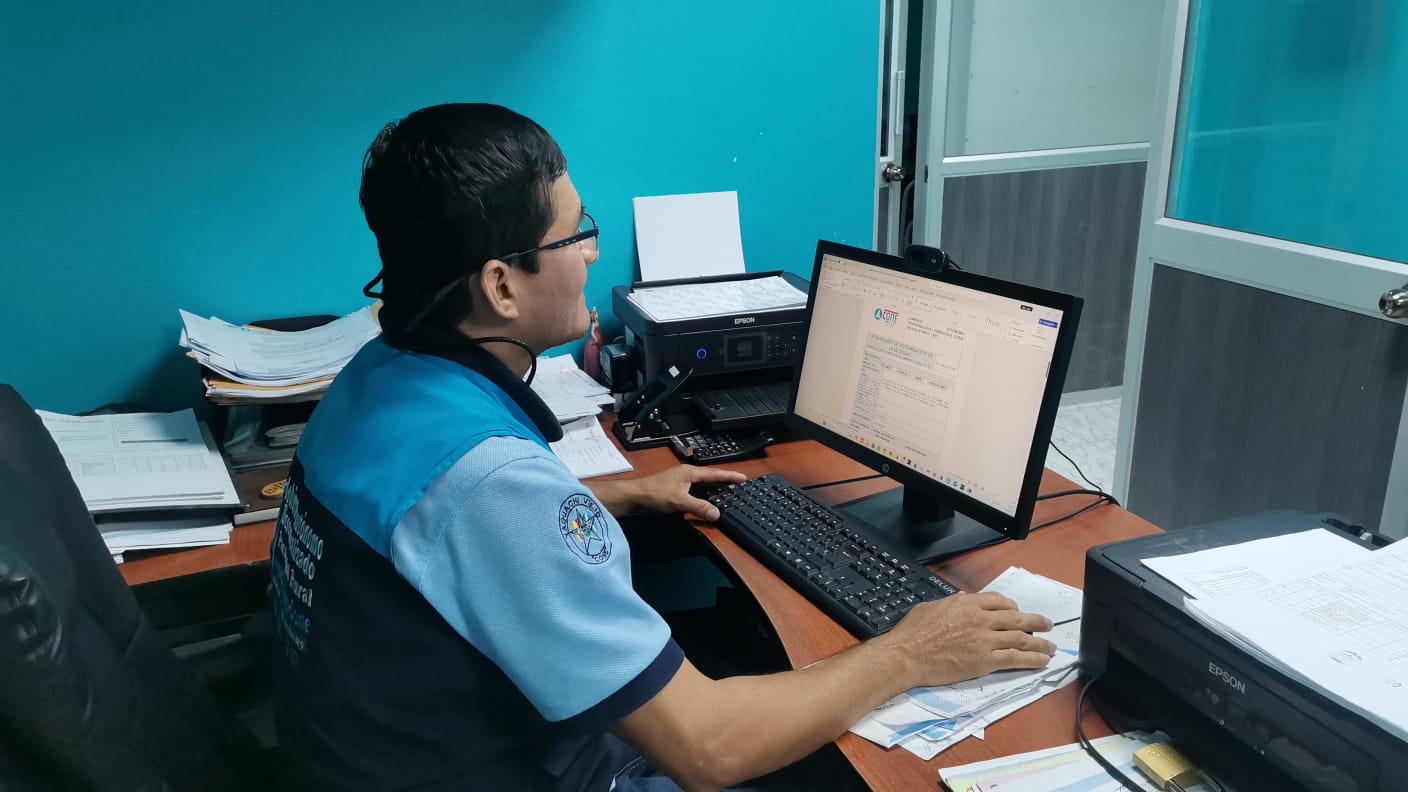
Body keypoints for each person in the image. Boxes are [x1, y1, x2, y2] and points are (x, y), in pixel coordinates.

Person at [269, 102, 1057, 792]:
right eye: (575, 234)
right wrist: (910, 650)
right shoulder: (489, 483)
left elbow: (440, 533)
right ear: (501, 286)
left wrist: (613, 494)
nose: (591, 254)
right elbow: (708, 750)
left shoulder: (376, 378)